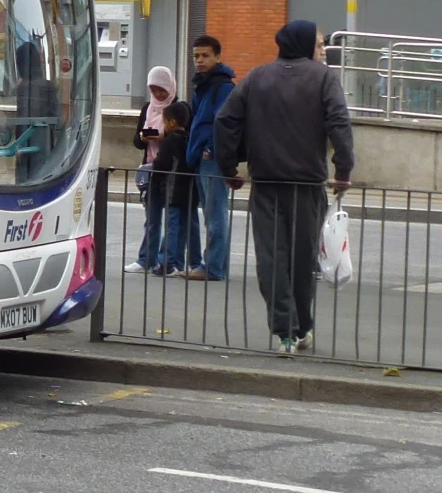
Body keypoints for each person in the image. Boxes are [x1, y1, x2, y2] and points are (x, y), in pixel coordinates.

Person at [214, 19, 354, 356]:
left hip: (265, 183)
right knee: (303, 259)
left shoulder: (257, 76)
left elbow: (225, 120)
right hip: (306, 186)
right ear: (306, 45)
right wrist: (343, 169)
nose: (322, 52)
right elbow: (339, 122)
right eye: (319, 45)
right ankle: (302, 326)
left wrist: (229, 167)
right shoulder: (324, 78)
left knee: (271, 259)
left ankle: (284, 332)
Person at [183, 33, 237, 281]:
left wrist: (210, 148)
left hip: (211, 158)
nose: (200, 60)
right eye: (196, 56)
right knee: (210, 214)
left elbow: (223, 122)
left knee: (215, 215)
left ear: (217, 56)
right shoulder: (204, 85)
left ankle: (213, 268)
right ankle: (213, 265)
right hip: (200, 156)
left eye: (205, 56)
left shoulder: (222, 86)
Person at [128, 65, 178, 274]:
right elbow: (137, 139)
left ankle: (167, 260)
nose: (158, 94)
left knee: (173, 218)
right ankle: (145, 259)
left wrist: (162, 136)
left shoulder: (177, 108)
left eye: (161, 89)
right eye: (154, 88)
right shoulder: (148, 108)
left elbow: (180, 135)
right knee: (152, 217)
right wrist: (143, 137)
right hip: (151, 168)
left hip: (172, 169)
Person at [150, 102, 196, 276]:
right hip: (186, 189)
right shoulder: (188, 138)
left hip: (172, 188)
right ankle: (178, 261)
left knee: (171, 225)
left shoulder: (170, 140)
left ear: (171, 122)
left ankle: (166, 262)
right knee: (181, 226)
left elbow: (162, 164)